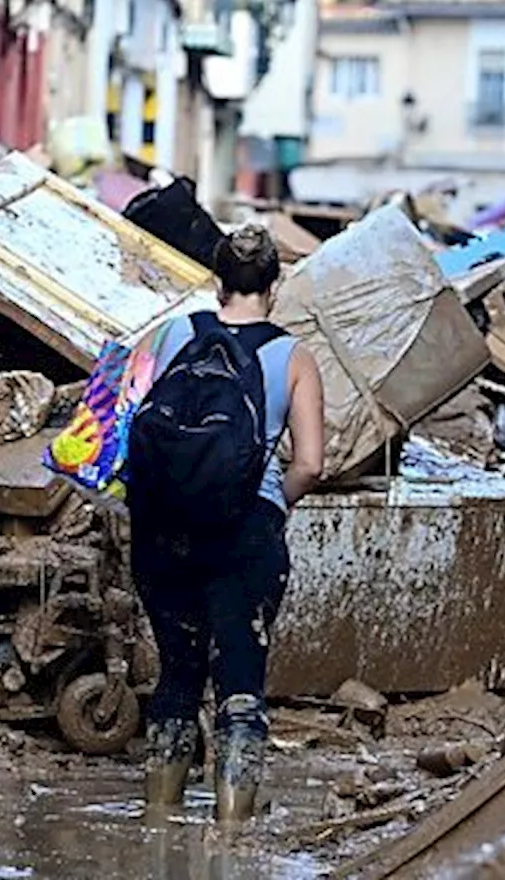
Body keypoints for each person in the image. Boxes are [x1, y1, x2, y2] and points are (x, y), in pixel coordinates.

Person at [126, 223, 325, 823]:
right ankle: (232, 837)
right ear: (275, 282)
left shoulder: (171, 334)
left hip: (161, 530)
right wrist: (271, 503)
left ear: (218, 278)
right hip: (245, 533)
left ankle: (158, 823)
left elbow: (126, 417)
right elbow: (312, 463)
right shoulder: (293, 357)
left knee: (178, 674)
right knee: (240, 677)